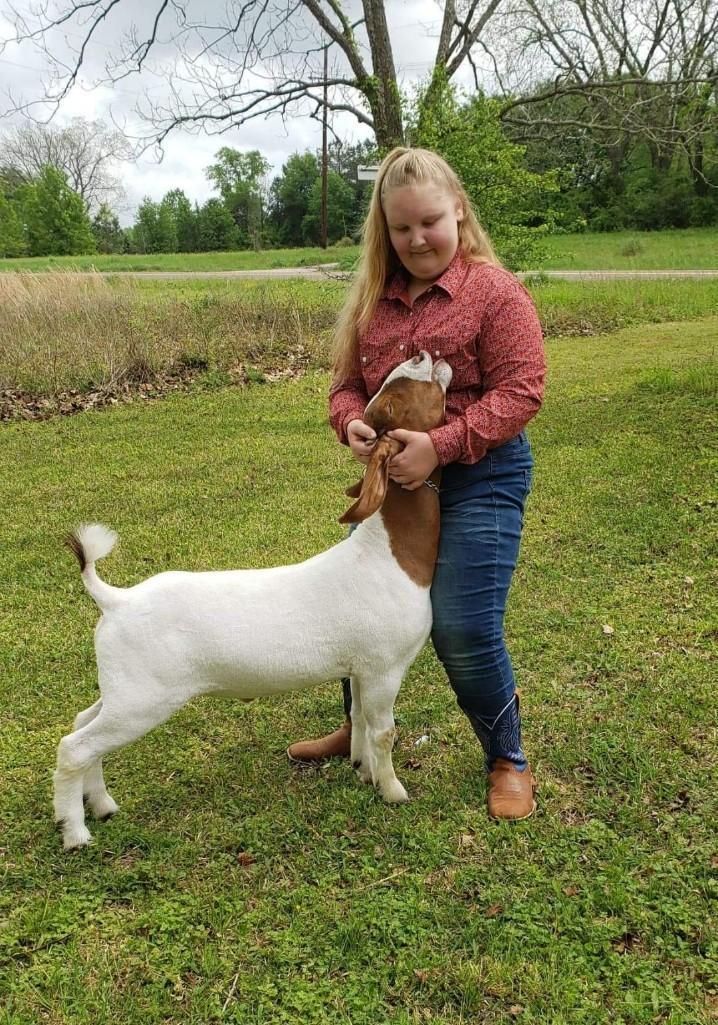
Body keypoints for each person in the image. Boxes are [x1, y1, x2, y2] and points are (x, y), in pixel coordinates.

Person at [287, 147, 546, 820]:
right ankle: (360, 733)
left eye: (430, 221)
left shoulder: (495, 292)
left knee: (461, 624)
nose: (417, 239)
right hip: (397, 484)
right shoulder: (374, 300)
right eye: (401, 228)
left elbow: (523, 390)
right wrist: (351, 424)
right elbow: (346, 388)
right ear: (385, 230)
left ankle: (507, 756)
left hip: (482, 475)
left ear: (458, 209)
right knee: (357, 606)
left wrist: (444, 444)